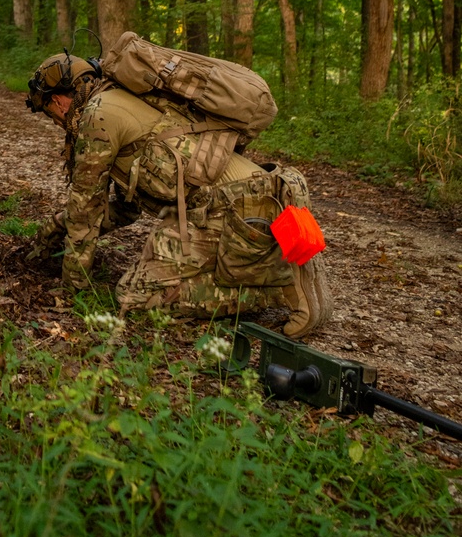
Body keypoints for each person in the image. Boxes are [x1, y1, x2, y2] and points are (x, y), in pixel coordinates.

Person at [26, 52, 332, 338]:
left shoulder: (97, 116)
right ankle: (283, 260)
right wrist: (57, 227)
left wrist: (72, 290)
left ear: (59, 101)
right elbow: (125, 209)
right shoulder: (122, 99)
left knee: (135, 298)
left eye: (49, 112)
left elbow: (85, 211)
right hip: (258, 197)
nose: (55, 122)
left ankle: (281, 284)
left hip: (236, 208)